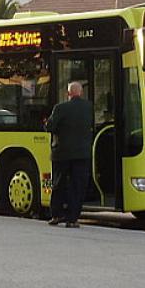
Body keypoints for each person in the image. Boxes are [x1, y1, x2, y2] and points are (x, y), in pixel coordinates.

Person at [45, 81, 93, 228]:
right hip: (82, 154)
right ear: (81, 93)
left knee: (58, 184)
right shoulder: (88, 108)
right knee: (77, 186)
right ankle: (72, 219)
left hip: (62, 154)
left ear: (68, 94)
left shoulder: (60, 108)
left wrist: (46, 123)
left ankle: (56, 215)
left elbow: (50, 127)